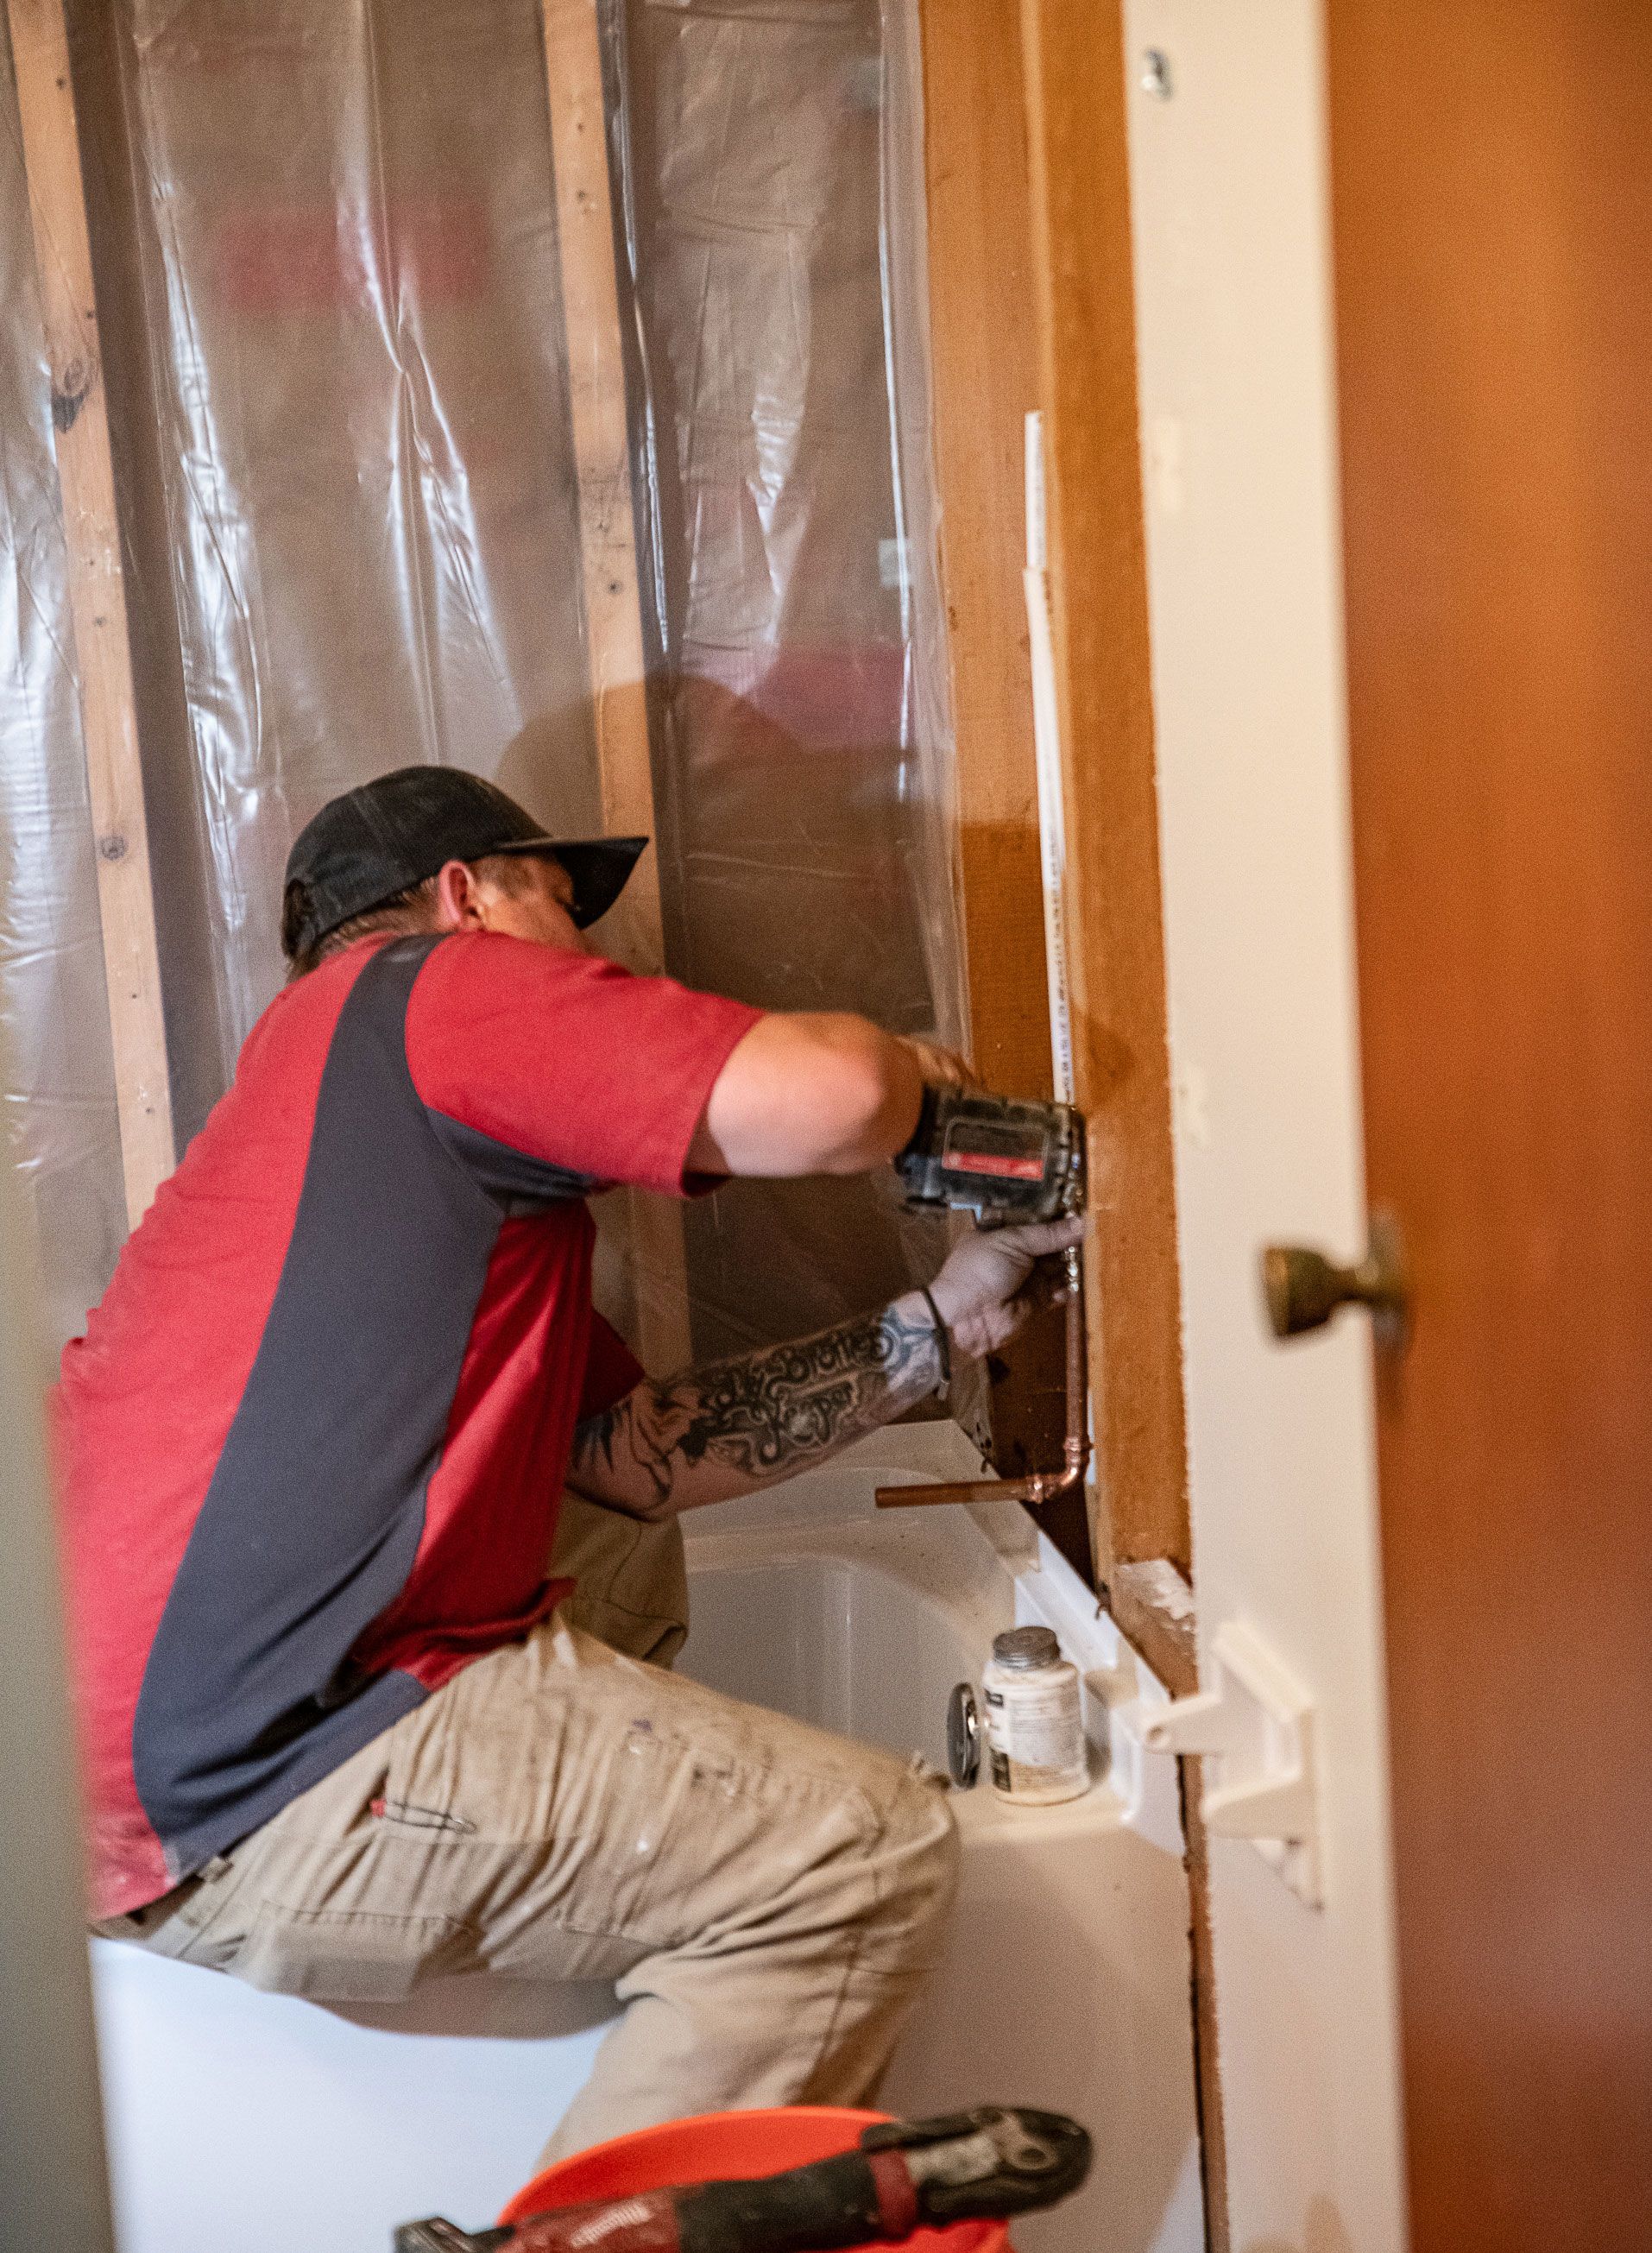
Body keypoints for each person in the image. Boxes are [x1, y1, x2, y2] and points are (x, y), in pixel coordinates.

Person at [60, 767, 1081, 2163]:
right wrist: (916, 1089)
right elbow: (837, 1094)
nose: (599, 959)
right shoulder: (427, 990)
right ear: (465, 897)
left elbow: (640, 1459)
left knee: (621, 1576)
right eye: (564, 903)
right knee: (851, 1854)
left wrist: (945, 1319)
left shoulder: (342, 1135)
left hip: (113, 1774)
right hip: (253, 1751)